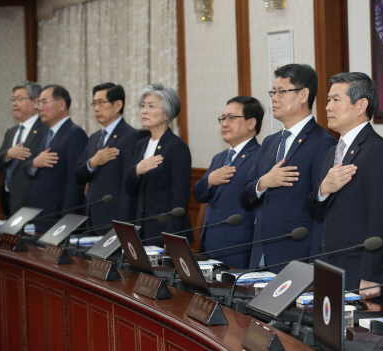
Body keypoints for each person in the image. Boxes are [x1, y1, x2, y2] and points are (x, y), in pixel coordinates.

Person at [308, 72, 383, 308]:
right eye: (328, 100)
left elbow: (381, 219)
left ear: (361, 105)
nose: (328, 107)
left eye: (336, 100)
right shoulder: (333, 152)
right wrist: (324, 189)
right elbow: (317, 212)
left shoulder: (378, 150)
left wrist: (370, 276)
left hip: (364, 277)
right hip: (333, 268)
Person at [239, 64, 337, 272]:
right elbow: (245, 196)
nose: (274, 98)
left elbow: (322, 210)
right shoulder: (269, 142)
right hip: (260, 254)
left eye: (281, 92)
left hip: (296, 256)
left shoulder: (323, 142)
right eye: (272, 92)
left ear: (303, 95)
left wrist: (314, 264)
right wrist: (264, 182)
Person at [193, 96, 263, 268]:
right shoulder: (220, 158)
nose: (224, 124)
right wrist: (210, 180)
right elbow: (199, 194)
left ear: (251, 123)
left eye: (231, 118)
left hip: (237, 249)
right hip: (208, 245)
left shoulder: (260, 157)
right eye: (223, 118)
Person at [125, 84, 192, 247]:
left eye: (151, 106)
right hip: (140, 228)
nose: (144, 111)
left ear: (167, 113)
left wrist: (171, 236)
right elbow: (129, 187)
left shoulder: (177, 147)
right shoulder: (140, 144)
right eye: (143, 106)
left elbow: (180, 199)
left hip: (164, 230)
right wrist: (137, 171)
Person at [75, 83, 141, 235]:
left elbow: (130, 186)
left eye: (101, 103)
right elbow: (78, 175)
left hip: (115, 220)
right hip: (92, 217)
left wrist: (124, 225)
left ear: (118, 105)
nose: (96, 108)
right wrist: (92, 162)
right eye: (94, 103)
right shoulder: (94, 138)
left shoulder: (130, 137)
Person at [25, 85, 88, 232]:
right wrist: (34, 163)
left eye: (44, 102)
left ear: (61, 104)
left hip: (58, 217)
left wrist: (66, 220)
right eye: (38, 104)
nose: (39, 108)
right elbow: (26, 167)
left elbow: (75, 181)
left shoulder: (75, 134)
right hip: (40, 214)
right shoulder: (44, 134)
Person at [0, 81, 47, 217]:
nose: (14, 103)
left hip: (31, 202)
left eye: (19, 99)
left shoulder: (45, 130)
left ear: (35, 102)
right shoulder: (11, 132)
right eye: (13, 99)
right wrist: (8, 154)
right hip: (7, 199)